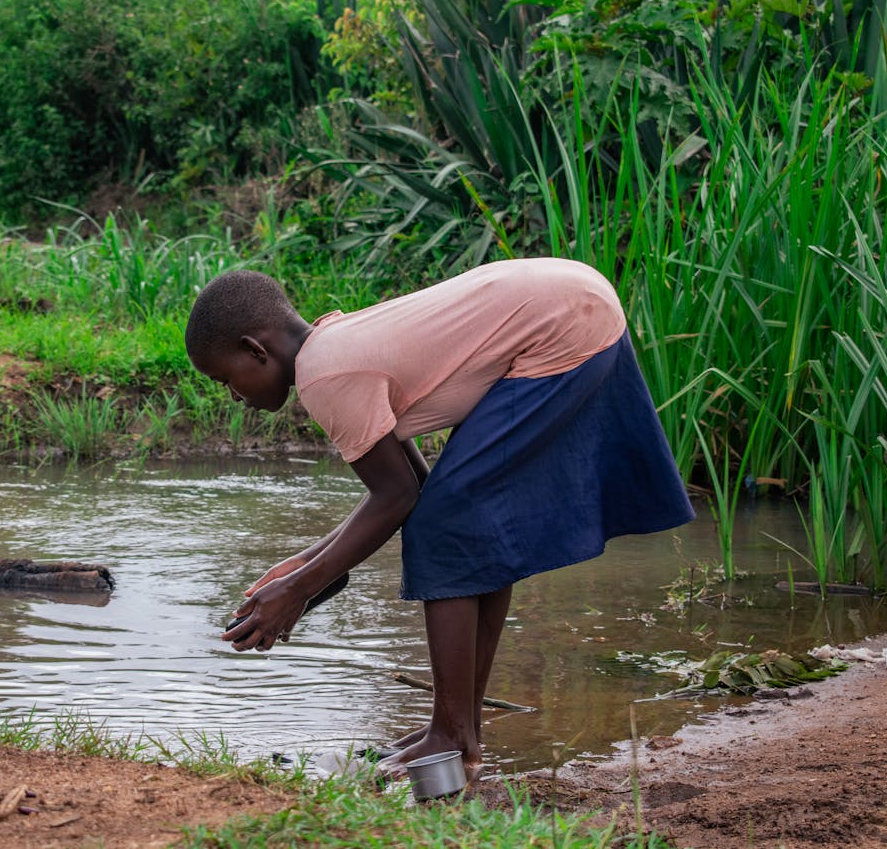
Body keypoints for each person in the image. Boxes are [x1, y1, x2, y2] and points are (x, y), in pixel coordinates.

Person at [184, 258, 694, 780]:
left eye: (226, 378)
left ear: (255, 349)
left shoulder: (325, 376)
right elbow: (417, 491)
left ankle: (451, 739)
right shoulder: (333, 345)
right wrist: (304, 569)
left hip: (562, 324)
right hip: (572, 298)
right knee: (458, 523)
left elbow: (397, 498)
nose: (233, 395)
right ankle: (458, 728)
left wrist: (297, 590)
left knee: (445, 530)